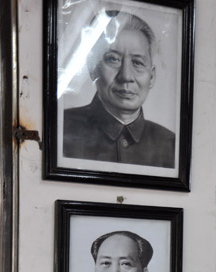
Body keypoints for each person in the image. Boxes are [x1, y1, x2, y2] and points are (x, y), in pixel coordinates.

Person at [63, 12, 175, 168]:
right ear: (92, 68)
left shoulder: (171, 145)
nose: (126, 76)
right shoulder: (62, 130)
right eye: (113, 59)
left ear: (152, 76)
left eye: (137, 62)